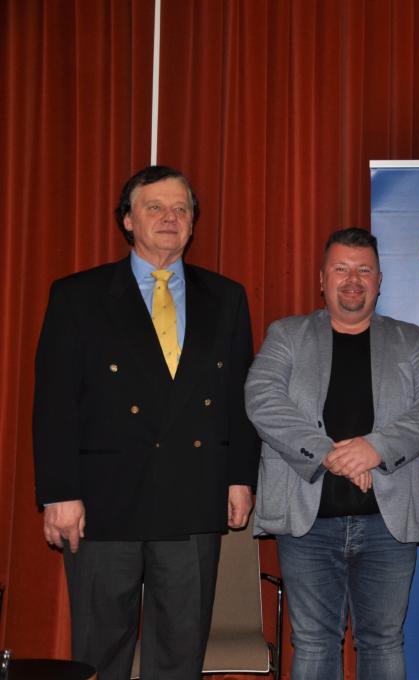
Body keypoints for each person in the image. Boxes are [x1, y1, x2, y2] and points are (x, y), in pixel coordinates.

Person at [33, 165, 259, 678]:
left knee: (180, 653)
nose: (169, 217)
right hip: (103, 502)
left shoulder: (226, 297)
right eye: (154, 207)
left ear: (193, 223)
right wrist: (59, 492)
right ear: (128, 220)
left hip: (192, 496)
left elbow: (237, 396)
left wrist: (240, 477)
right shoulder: (78, 295)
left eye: (181, 209)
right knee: (101, 650)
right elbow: (54, 403)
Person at [245, 227, 419, 680]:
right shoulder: (287, 334)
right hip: (307, 522)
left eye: (364, 270)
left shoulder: (412, 339)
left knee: (384, 642)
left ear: (379, 280)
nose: (352, 280)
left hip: (388, 523)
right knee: (313, 643)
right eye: (341, 269)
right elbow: (262, 399)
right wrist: (329, 454)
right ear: (322, 279)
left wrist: (374, 448)